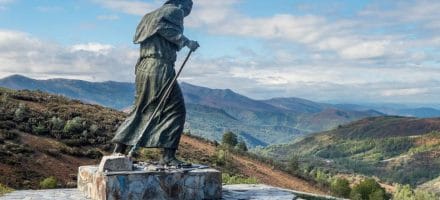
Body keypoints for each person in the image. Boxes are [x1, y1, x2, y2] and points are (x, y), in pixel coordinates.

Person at [111, 0, 199, 166]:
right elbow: (163, 27)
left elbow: (144, 35)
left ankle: (118, 151)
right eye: (189, 7)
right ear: (182, 3)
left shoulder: (148, 16)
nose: (188, 11)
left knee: (141, 108)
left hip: (143, 66)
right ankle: (168, 157)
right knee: (176, 109)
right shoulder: (175, 11)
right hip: (160, 65)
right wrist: (186, 41)